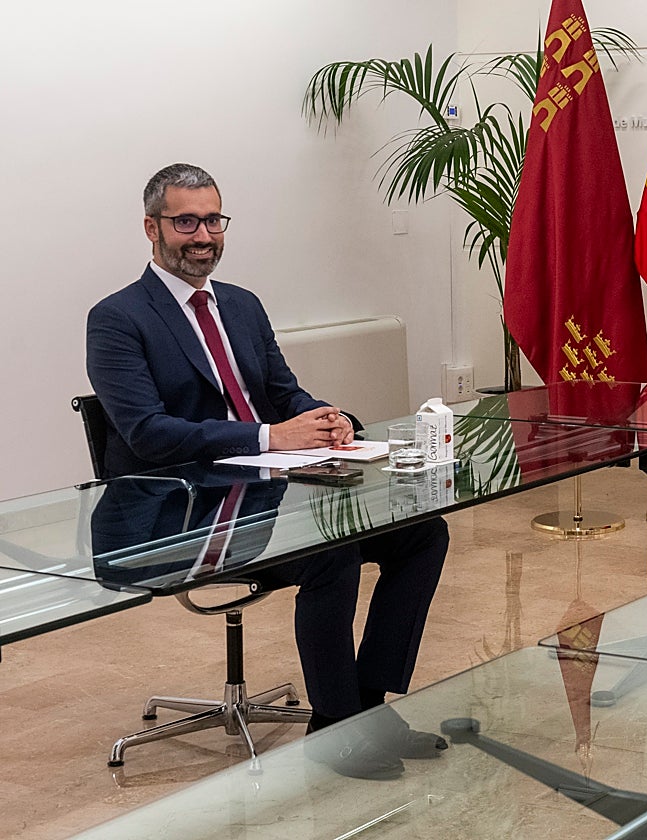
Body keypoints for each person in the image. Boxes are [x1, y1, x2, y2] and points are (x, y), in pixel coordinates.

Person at [86, 163, 449, 779]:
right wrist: (269, 437)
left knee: (423, 531)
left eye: (213, 220)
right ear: (152, 228)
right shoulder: (118, 318)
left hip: (270, 492)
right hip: (184, 509)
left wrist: (326, 417)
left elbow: (283, 391)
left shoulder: (242, 305)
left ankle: (370, 705)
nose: (203, 236)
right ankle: (335, 729)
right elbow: (146, 433)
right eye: (185, 222)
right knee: (331, 552)